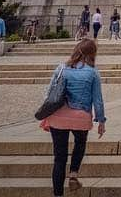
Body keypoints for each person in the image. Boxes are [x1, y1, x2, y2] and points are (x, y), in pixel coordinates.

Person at [40, 38, 106, 196]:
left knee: (59, 158)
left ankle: (58, 194)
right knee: (80, 143)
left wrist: (46, 112)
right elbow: (98, 100)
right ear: (92, 54)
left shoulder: (61, 68)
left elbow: (49, 93)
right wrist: (101, 121)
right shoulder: (93, 72)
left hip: (58, 116)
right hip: (81, 116)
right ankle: (74, 174)